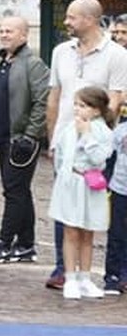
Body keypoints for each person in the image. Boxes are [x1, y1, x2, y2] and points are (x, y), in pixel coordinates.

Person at [44, 0, 127, 290]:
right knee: (63, 208)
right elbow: (54, 97)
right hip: (65, 142)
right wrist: (52, 136)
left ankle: (90, 273)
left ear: (91, 19)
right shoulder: (60, 52)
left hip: (96, 146)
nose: (66, 22)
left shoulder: (116, 54)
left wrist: (95, 135)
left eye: (72, 17)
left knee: (92, 210)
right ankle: (62, 268)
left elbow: (115, 100)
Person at [0, 15, 50, 265]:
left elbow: (42, 100)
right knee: (20, 191)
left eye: (9, 31)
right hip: (3, 136)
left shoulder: (32, 63)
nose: (3, 34)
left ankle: (3, 243)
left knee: (13, 192)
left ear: (24, 35)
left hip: (20, 139)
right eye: (1, 30)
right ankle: (26, 245)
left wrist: (30, 135)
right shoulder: (4, 62)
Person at [48, 85, 115, 299]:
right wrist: (62, 173)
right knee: (70, 230)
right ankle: (70, 277)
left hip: (90, 184)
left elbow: (99, 159)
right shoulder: (70, 127)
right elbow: (60, 154)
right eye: (76, 105)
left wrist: (87, 136)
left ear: (96, 110)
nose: (77, 109)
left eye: (83, 106)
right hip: (71, 182)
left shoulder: (103, 131)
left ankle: (85, 278)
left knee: (88, 231)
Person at [107, 104, 127, 294]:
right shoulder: (119, 131)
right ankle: (112, 275)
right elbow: (110, 159)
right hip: (119, 188)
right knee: (116, 232)